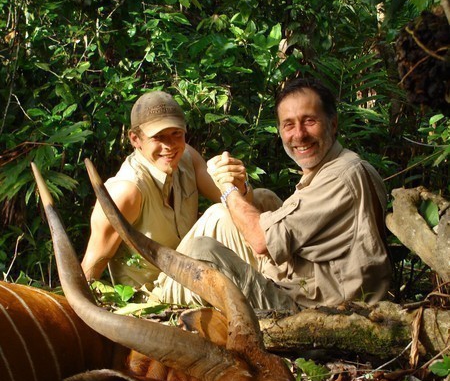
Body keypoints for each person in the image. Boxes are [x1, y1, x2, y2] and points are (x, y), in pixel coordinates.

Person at [153, 77, 391, 310]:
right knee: (260, 198)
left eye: (309, 121)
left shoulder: (341, 175)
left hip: (316, 309)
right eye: (289, 124)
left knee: (200, 251)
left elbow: (260, 240)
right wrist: (241, 188)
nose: (299, 134)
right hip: (304, 286)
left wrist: (226, 188)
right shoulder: (333, 168)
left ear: (333, 123)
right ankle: (162, 289)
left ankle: (158, 301)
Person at [81, 90, 249, 288]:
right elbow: (89, 269)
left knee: (263, 197)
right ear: (135, 139)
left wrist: (239, 184)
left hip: (194, 273)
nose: (169, 146)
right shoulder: (126, 192)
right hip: (156, 292)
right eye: (158, 137)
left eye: (176, 134)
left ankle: (283, 284)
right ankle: (269, 298)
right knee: (219, 214)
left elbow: (235, 201)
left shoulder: (187, 158)